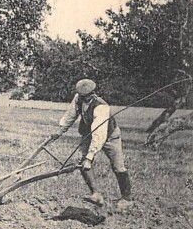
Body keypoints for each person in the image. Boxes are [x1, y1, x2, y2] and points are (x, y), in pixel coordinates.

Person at [49, 79, 133, 210]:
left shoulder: (101, 107)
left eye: (86, 96)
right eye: (81, 95)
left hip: (110, 136)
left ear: (92, 93)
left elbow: (99, 134)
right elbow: (70, 115)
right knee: (82, 163)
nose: (83, 98)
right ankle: (95, 194)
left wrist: (90, 156)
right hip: (89, 133)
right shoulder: (78, 98)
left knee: (118, 166)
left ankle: (127, 199)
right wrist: (59, 131)